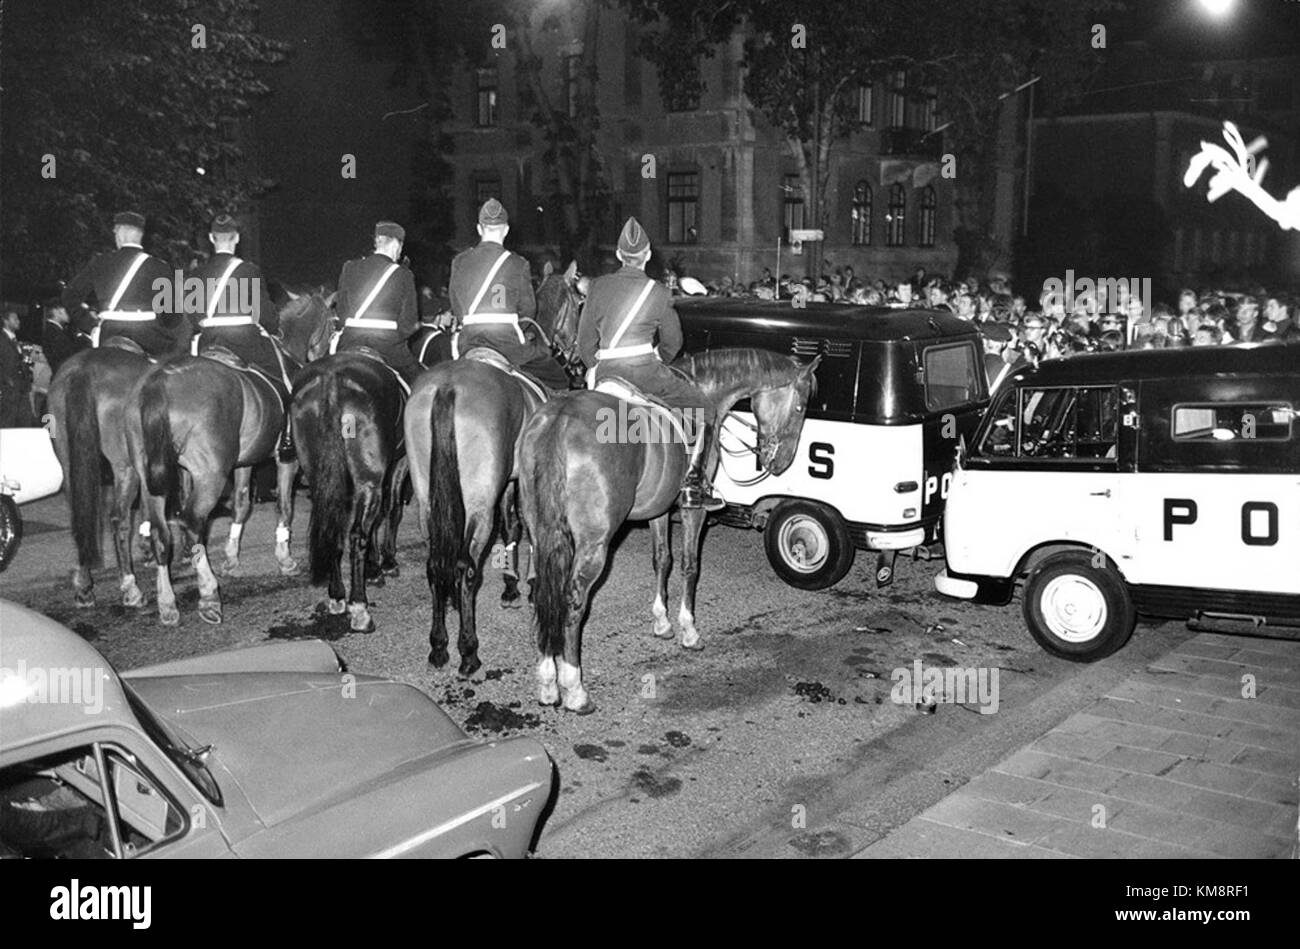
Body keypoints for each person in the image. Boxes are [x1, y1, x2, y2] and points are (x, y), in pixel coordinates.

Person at [577, 217, 724, 511]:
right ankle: (693, 483)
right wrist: (660, 362)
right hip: (645, 373)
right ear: (646, 256)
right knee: (705, 410)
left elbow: (584, 343)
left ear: (619, 255)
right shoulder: (659, 292)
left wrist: (596, 367)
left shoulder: (597, 286)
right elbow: (674, 342)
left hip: (606, 373)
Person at [189, 213, 294, 456]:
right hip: (244, 342)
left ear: (211, 238)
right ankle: (287, 438)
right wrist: (271, 327)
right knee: (287, 379)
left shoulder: (197, 274)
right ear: (236, 238)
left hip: (208, 341)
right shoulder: (249, 270)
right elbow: (266, 315)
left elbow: (191, 317)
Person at [448, 198, 568, 390]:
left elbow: (456, 305)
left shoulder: (459, 261)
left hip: (467, 342)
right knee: (557, 377)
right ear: (506, 230)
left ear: (479, 229)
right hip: (506, 343)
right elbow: (528, 310)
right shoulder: (517, 263)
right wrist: (524, 327)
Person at [61, 211, 190, 357]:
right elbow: (173, 317)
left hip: (108, 333)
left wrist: (90, 325)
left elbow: (69, 296)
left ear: (120, 233)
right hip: (148, 336)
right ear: (140, 235)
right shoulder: (160, 267)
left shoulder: (100, 262)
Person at [335, 220, 422, 386]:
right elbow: (409, 322)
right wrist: (397, 337)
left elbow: (341, 312)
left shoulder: (350, 267)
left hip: (350, 341)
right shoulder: (404, 274)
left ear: (377, 242)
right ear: (396, 244)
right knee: (422, 385)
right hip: (389, 346)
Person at [1, 310, 37, 427]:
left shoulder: (15, 340)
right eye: (15, 319)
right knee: (8, 422)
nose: (18, 321)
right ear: (5, 321)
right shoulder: (2, 340)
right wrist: (6, 381)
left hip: (22, 388)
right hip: (9, 390)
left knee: (24, 423)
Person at [41, 301, 77, 376]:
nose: (69, 314)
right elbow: (63, 358)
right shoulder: (54, 333)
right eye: (65, 311)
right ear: (56, 312)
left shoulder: (55, 330)